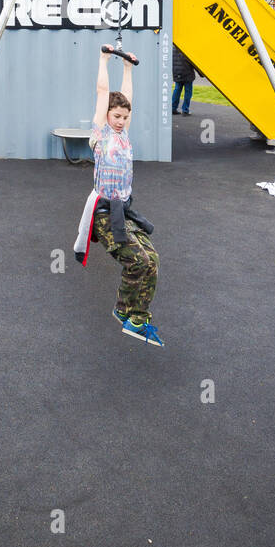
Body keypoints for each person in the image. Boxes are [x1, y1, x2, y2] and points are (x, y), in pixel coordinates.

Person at [74, 44, 163, 348]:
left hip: (123, 212)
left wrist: (127, 67)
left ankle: (128, 313)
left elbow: (128, 97)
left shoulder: (124, 134)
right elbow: (103, 93)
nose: (121, 120)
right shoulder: (100, 134)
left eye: (125, 116)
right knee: (137, 261)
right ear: (107, 116)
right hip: (103, 214)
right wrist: (104, 60)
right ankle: (135, 317)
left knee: (151, 259)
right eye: (116, 115)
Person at [172, 45, 196, 115]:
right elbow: (193, 62)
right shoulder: (187, 47)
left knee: (177, 90)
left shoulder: (173, 48)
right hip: (187, 73)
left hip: (177, 72)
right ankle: (185, 110)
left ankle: (173, 108)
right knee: (188, 92)